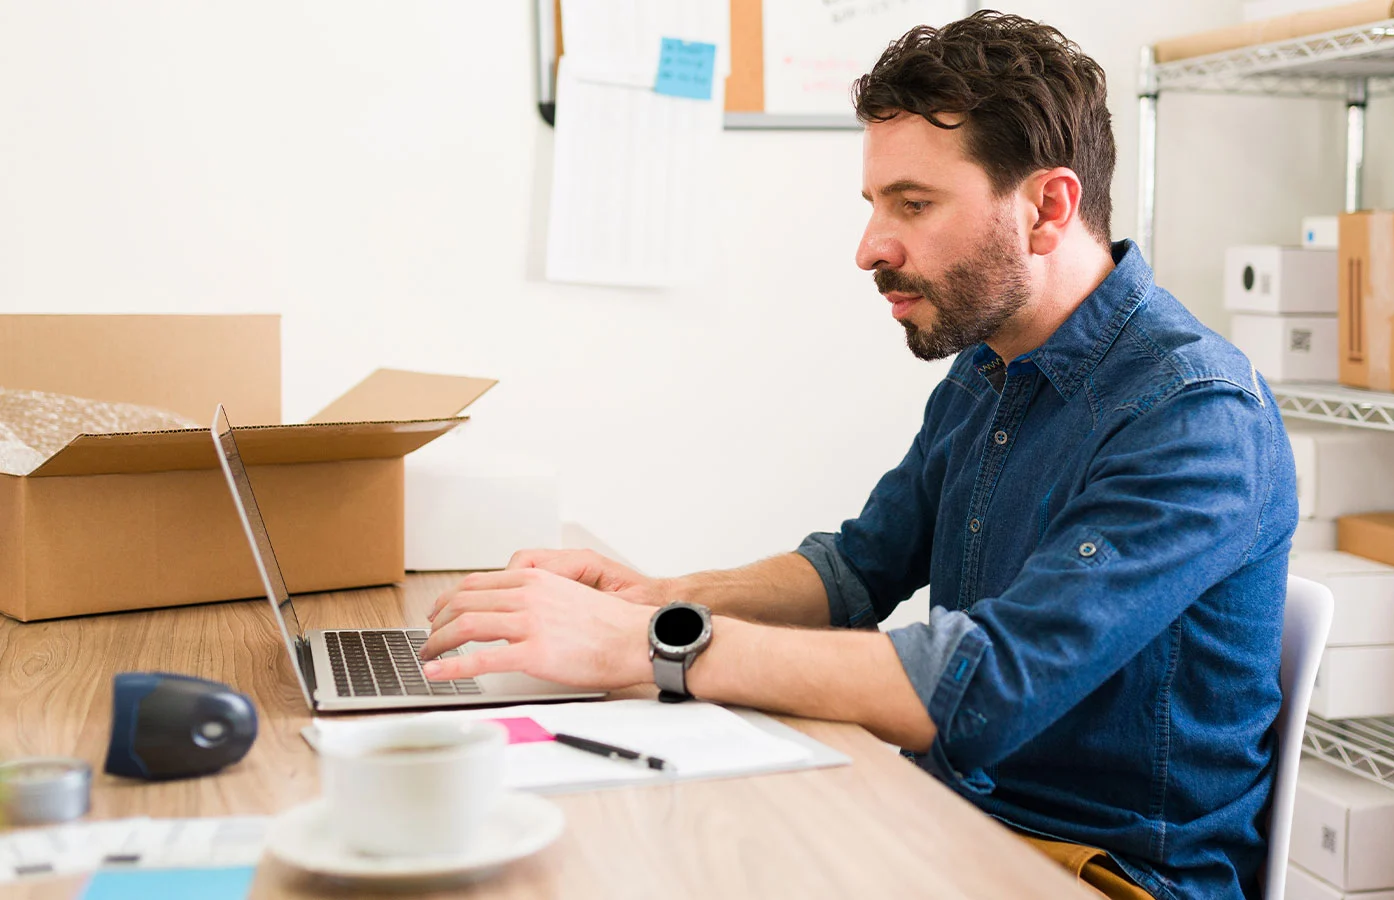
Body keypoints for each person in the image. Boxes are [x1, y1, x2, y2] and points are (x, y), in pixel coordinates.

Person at [420, 12, 1296, 899]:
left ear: (1047, 208)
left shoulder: (1195, 415)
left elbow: (984, 685)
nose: (870, 247)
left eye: (912, 204)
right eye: (875, 206)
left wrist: (653, 646)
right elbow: (854, 572)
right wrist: (651, 598)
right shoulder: (990, 370)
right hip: (948, 821)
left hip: (1096, 874)